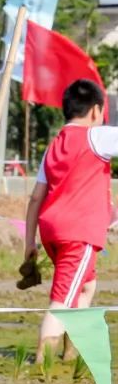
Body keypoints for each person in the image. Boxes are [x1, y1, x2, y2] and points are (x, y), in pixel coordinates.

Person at [24, 79, 118, 361]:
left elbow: (35, 198)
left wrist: (30, 243)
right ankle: (43, 363)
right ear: (95, 111)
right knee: (62, 299)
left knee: (85, 286)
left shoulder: (53, 146)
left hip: (51, 232)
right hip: (79, 234)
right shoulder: (96, 136)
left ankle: (71, 353)